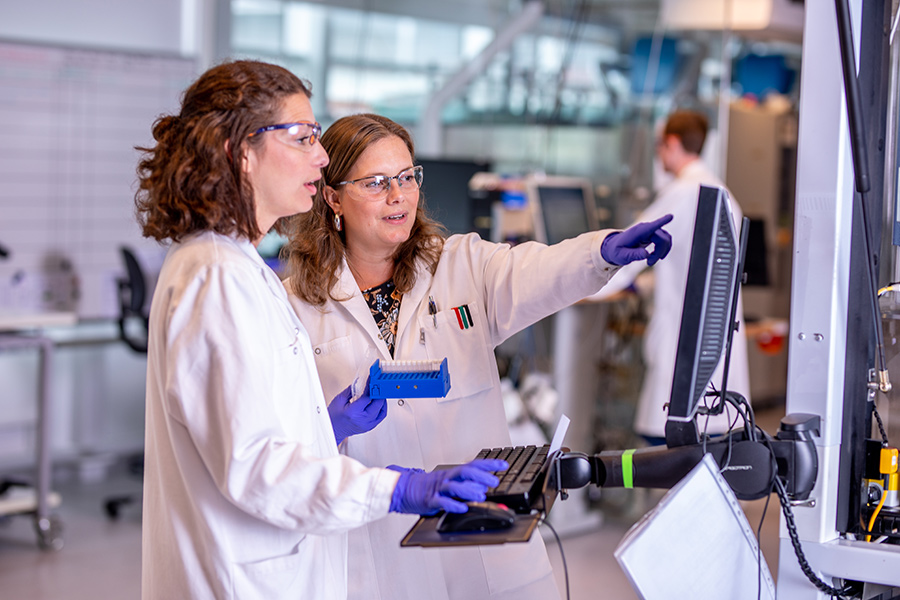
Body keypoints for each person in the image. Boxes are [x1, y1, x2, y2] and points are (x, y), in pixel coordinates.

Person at [134, 61, 505, 600]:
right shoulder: (216, 278)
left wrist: (321, 428)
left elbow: (241, 428)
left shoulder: (238, 266)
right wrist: (398, 488)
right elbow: (255, 467)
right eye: (304, 136)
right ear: (242, 151)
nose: (323, 156)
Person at [281, 113, 673, 600]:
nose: (398, 195)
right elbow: (278, 445)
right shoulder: (294, 306)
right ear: (333, 196)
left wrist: (603, 253)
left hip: (484, 537)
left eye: (406, 177)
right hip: (376, 552)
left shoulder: (459, 264)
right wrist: (329, 426)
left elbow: (538, 270)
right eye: (376, 182)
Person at [594, 109, 751, 445]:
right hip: (715, 358)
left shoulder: (682, 193)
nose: (658, 155)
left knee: (669, 454)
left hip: (686, 355)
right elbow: (692, 265)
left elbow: (621, 257)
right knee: (708, 458)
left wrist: (573, 283)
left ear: (672, 144)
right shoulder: (722, 193)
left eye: (659, 146)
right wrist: (650, 283)